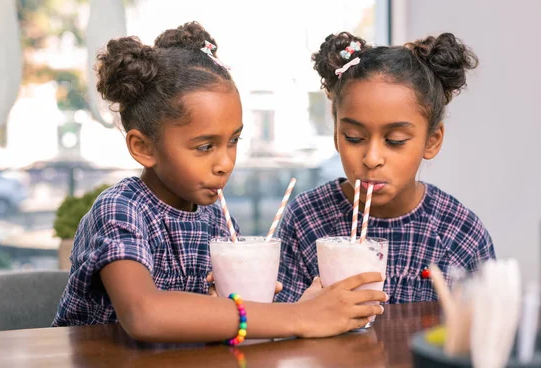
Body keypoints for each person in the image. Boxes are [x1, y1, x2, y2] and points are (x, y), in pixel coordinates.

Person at [52, 22, 387, 343]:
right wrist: (299, 317)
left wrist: (296, 305)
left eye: (234, 141)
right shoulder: (121, 210)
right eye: (205, 146)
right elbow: (143, 314)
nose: (226, 163)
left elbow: (239, 319)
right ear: (144, 147)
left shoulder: (218, 223)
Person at [276, 31, 496, 304]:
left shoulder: (459, 233)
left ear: (432, 140)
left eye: (395, 141)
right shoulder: (306, 220)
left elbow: (480, 334)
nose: (371, 158)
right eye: (354, 138)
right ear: (336, 135)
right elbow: (282, 327)